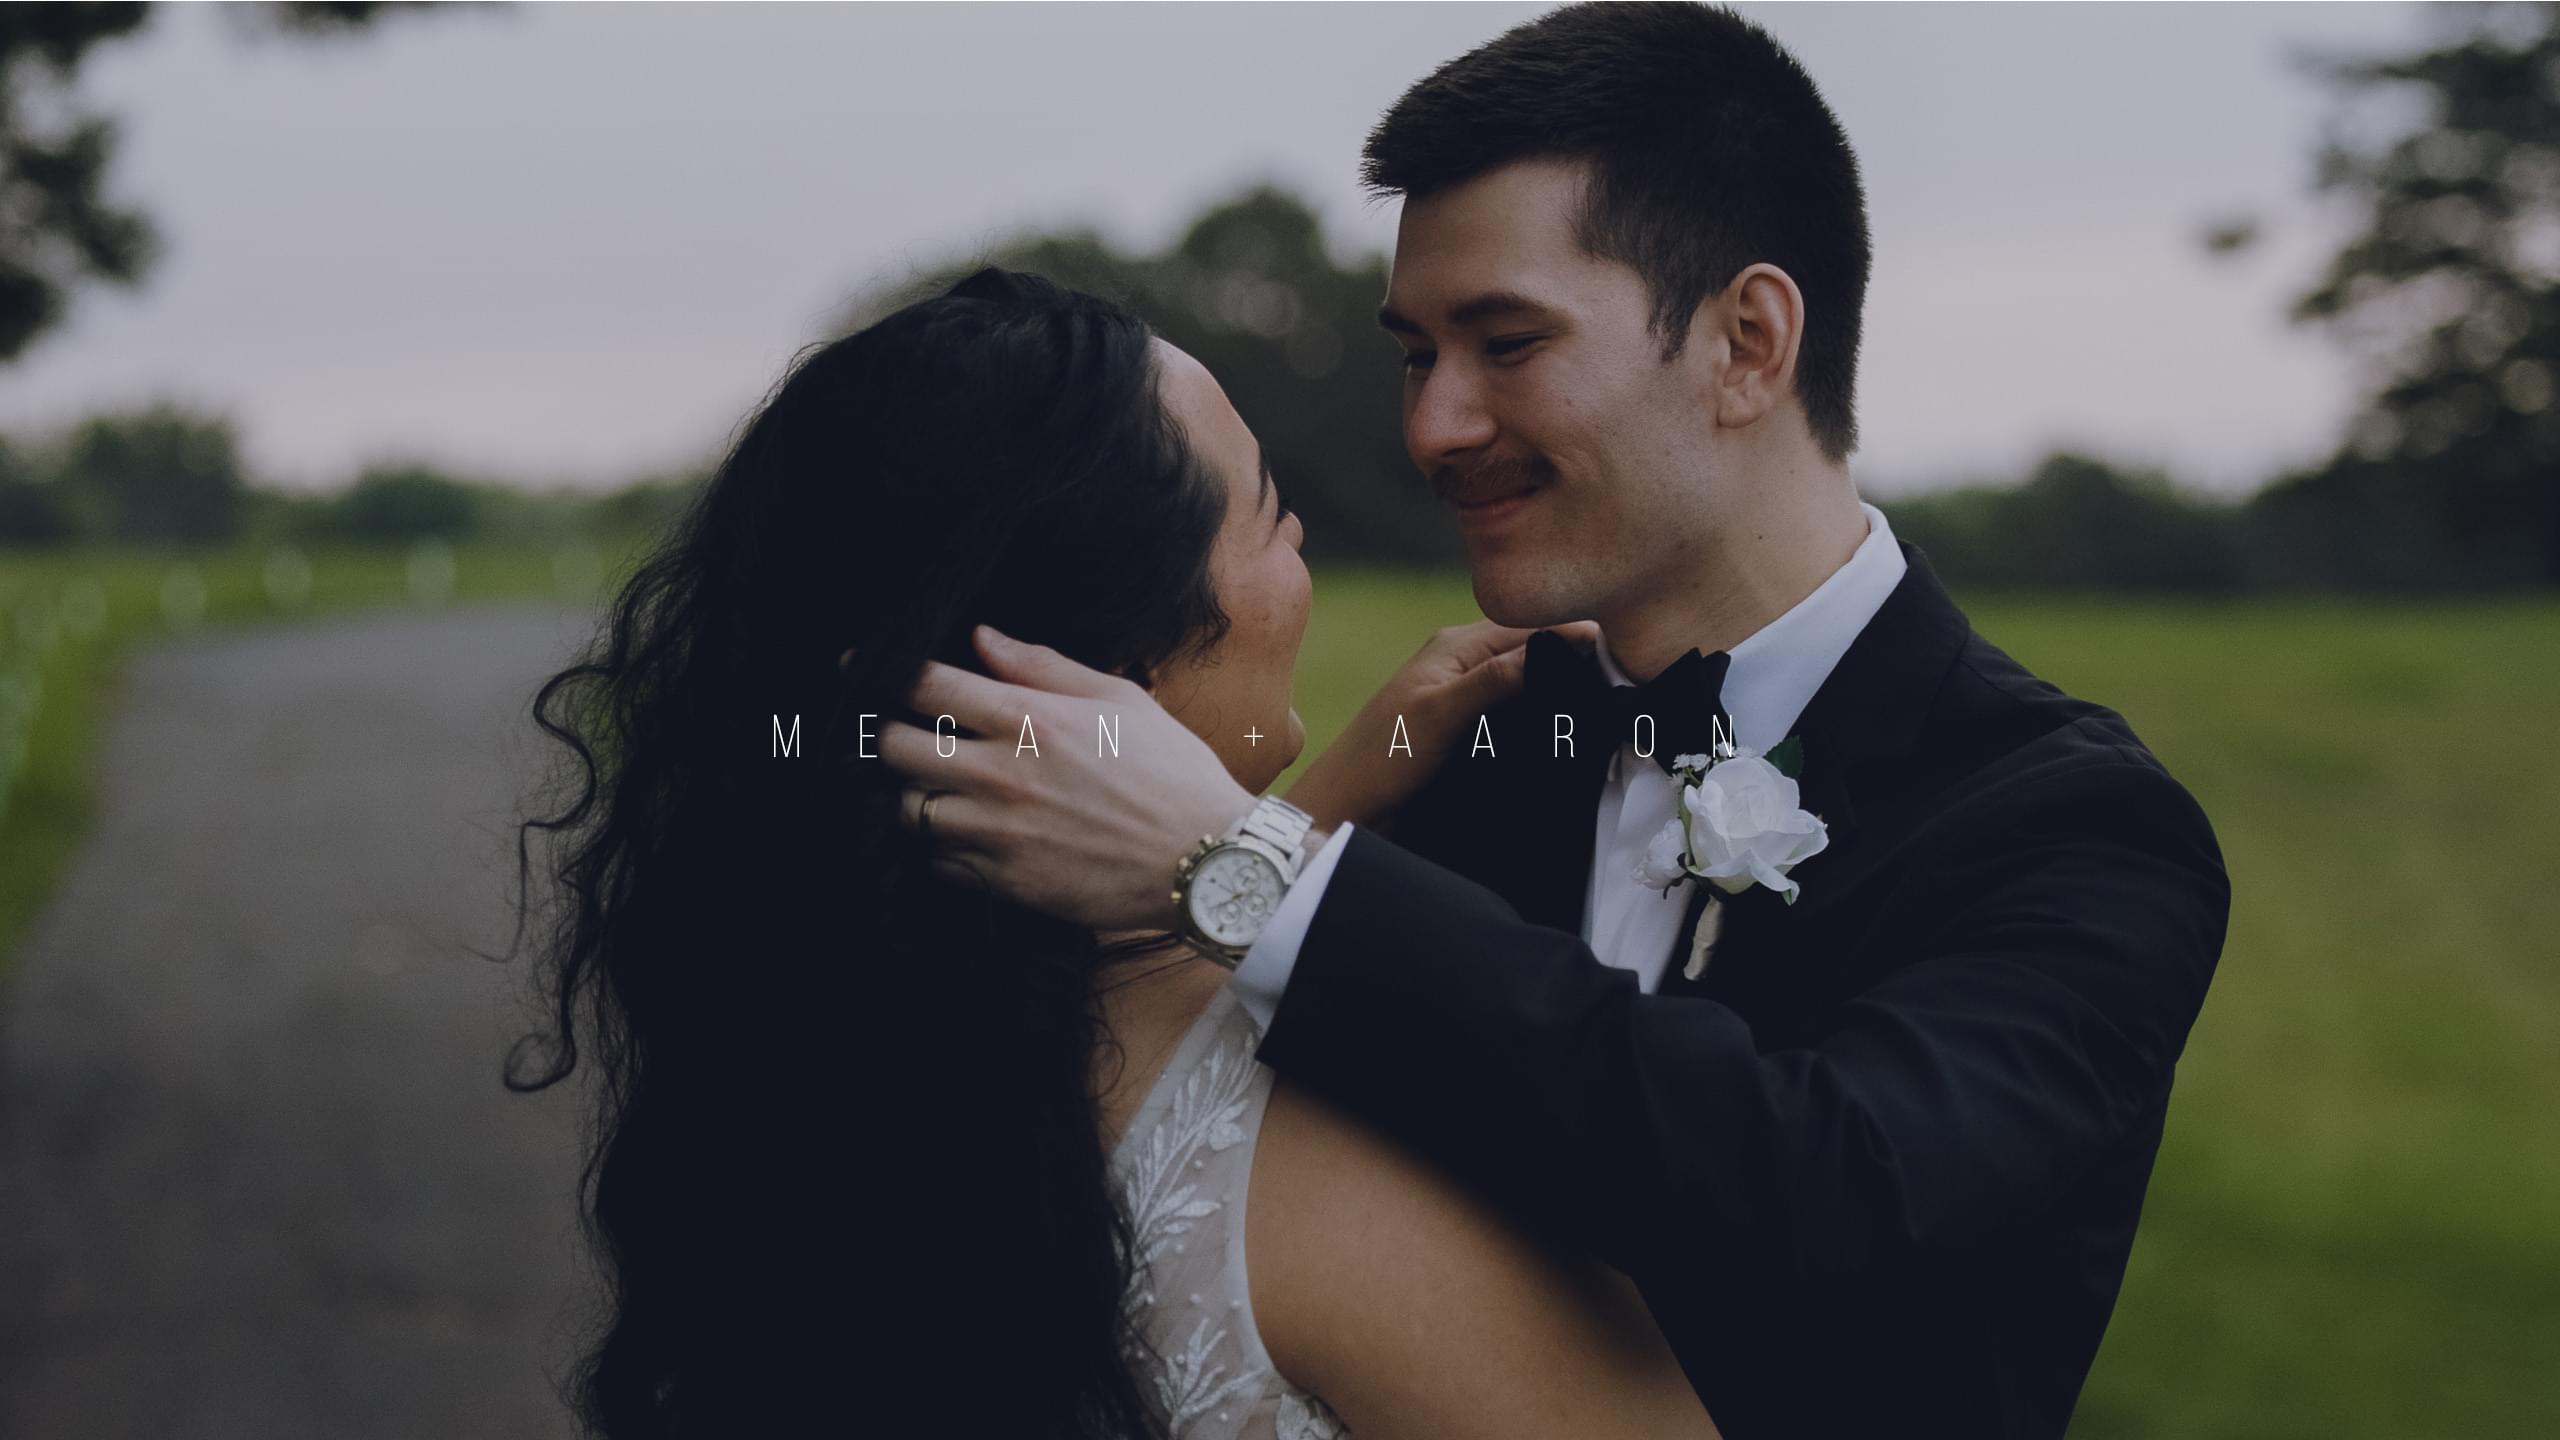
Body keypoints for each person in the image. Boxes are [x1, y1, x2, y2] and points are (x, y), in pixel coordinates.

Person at [875, 6, 2231, 1437]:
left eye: (1506, 343)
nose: (1434, 426)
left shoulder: (2075, 825)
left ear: (1748, 344)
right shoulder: (1475, 743)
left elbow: (1839, 1186)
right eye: (1417, 354)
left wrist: (1247, 868)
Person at [508, 265, 1718, 1439]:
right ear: (1119, 666)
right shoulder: (1328, 1165)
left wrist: (1312, 814)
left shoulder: (810, 1034)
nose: (1299, 551)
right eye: (1272, 519)